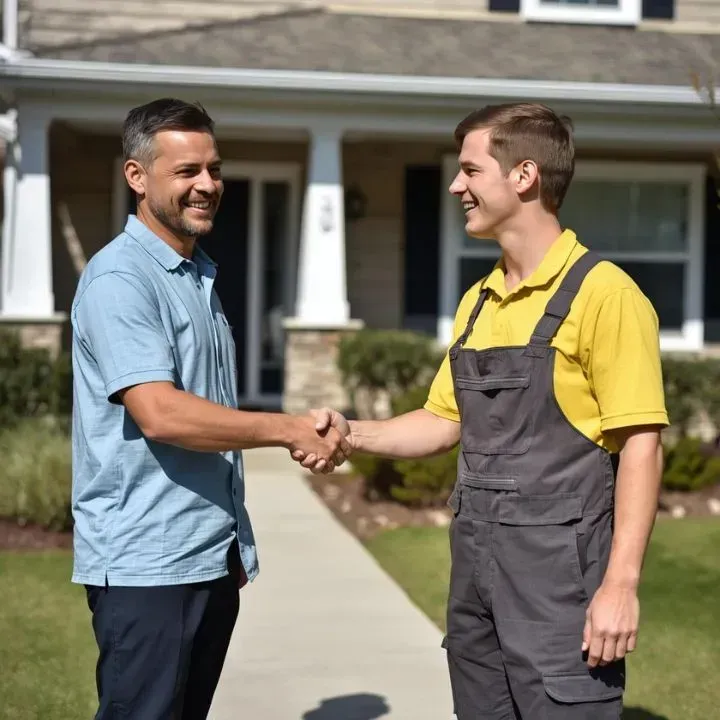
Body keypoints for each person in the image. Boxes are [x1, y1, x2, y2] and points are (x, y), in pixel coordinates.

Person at [300, 103, 668, 718]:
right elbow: (444, 421)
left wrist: (621, 585)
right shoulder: (480, 299)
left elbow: (641, 445)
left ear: (523, 175)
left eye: (470, 170)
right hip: (476, 580)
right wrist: (350, 433)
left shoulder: (606, 295)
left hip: (560, 587)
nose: (455, 186)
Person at [70, 97, 350, 720]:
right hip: (148, 564)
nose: (207, 185)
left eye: (214, 169)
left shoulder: (194, 275)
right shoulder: (122, 279)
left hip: (204, 554)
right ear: (136, 177)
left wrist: (231, 546)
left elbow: (209, 410)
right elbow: (161, 414)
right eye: (187, 171)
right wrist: (287, 428)